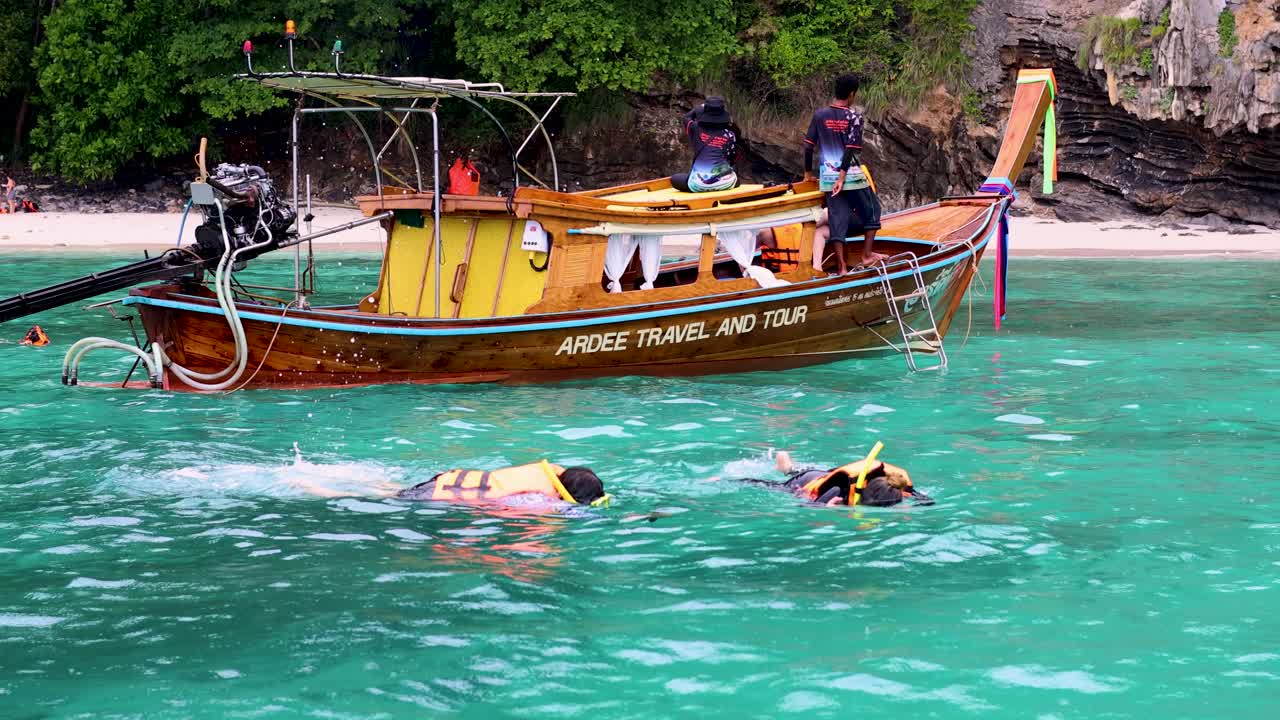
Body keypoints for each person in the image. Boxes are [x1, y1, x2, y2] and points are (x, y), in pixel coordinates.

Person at [804, 74, 887, 273]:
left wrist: (807, 174)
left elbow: (808, 146)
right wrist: (842, 177)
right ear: (852, 94)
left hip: (827, 177)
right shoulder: (854, 117)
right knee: (873, 210)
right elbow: (850, 149)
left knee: (837, 218)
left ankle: (841, 267)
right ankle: (867, 255)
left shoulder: (820, 115)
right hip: (849, 176)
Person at [294, 459, 612, 508]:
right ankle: (320, 490)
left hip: (450, 478)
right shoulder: (545, 498)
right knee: (383, 499)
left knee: (388, 488)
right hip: (446, 493)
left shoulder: (551, 470)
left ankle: (325, 475)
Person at [726, 444, 932, 507]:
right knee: (777, 485)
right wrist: (826, 507)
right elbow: (807, 506)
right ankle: (787, 468)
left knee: (812, 471)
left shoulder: (896, 484)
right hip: (807, 482)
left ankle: (788, 466)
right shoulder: (840, 489)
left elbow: (924, 499)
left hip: (826, 473)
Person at [671, 96, 739, 193]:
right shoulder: (730, 135)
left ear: (704, 113)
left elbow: (686, 117)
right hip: (725, 183)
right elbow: (731, 158)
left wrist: (699, 108)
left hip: (698, 185)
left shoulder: (696, 129)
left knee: (675, 179)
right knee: (734, 168)